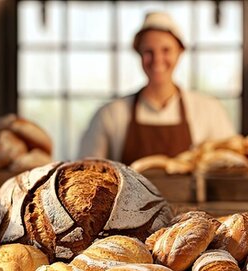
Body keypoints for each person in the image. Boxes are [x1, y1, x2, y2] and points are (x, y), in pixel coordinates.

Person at [78, 12, 235, 163]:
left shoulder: (209, 110)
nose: (157, 59)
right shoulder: (110, 115)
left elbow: (231, 167)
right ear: (138, 53)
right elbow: (86, 175)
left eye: (166, 50)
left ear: (180, 52)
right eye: (148, 51)